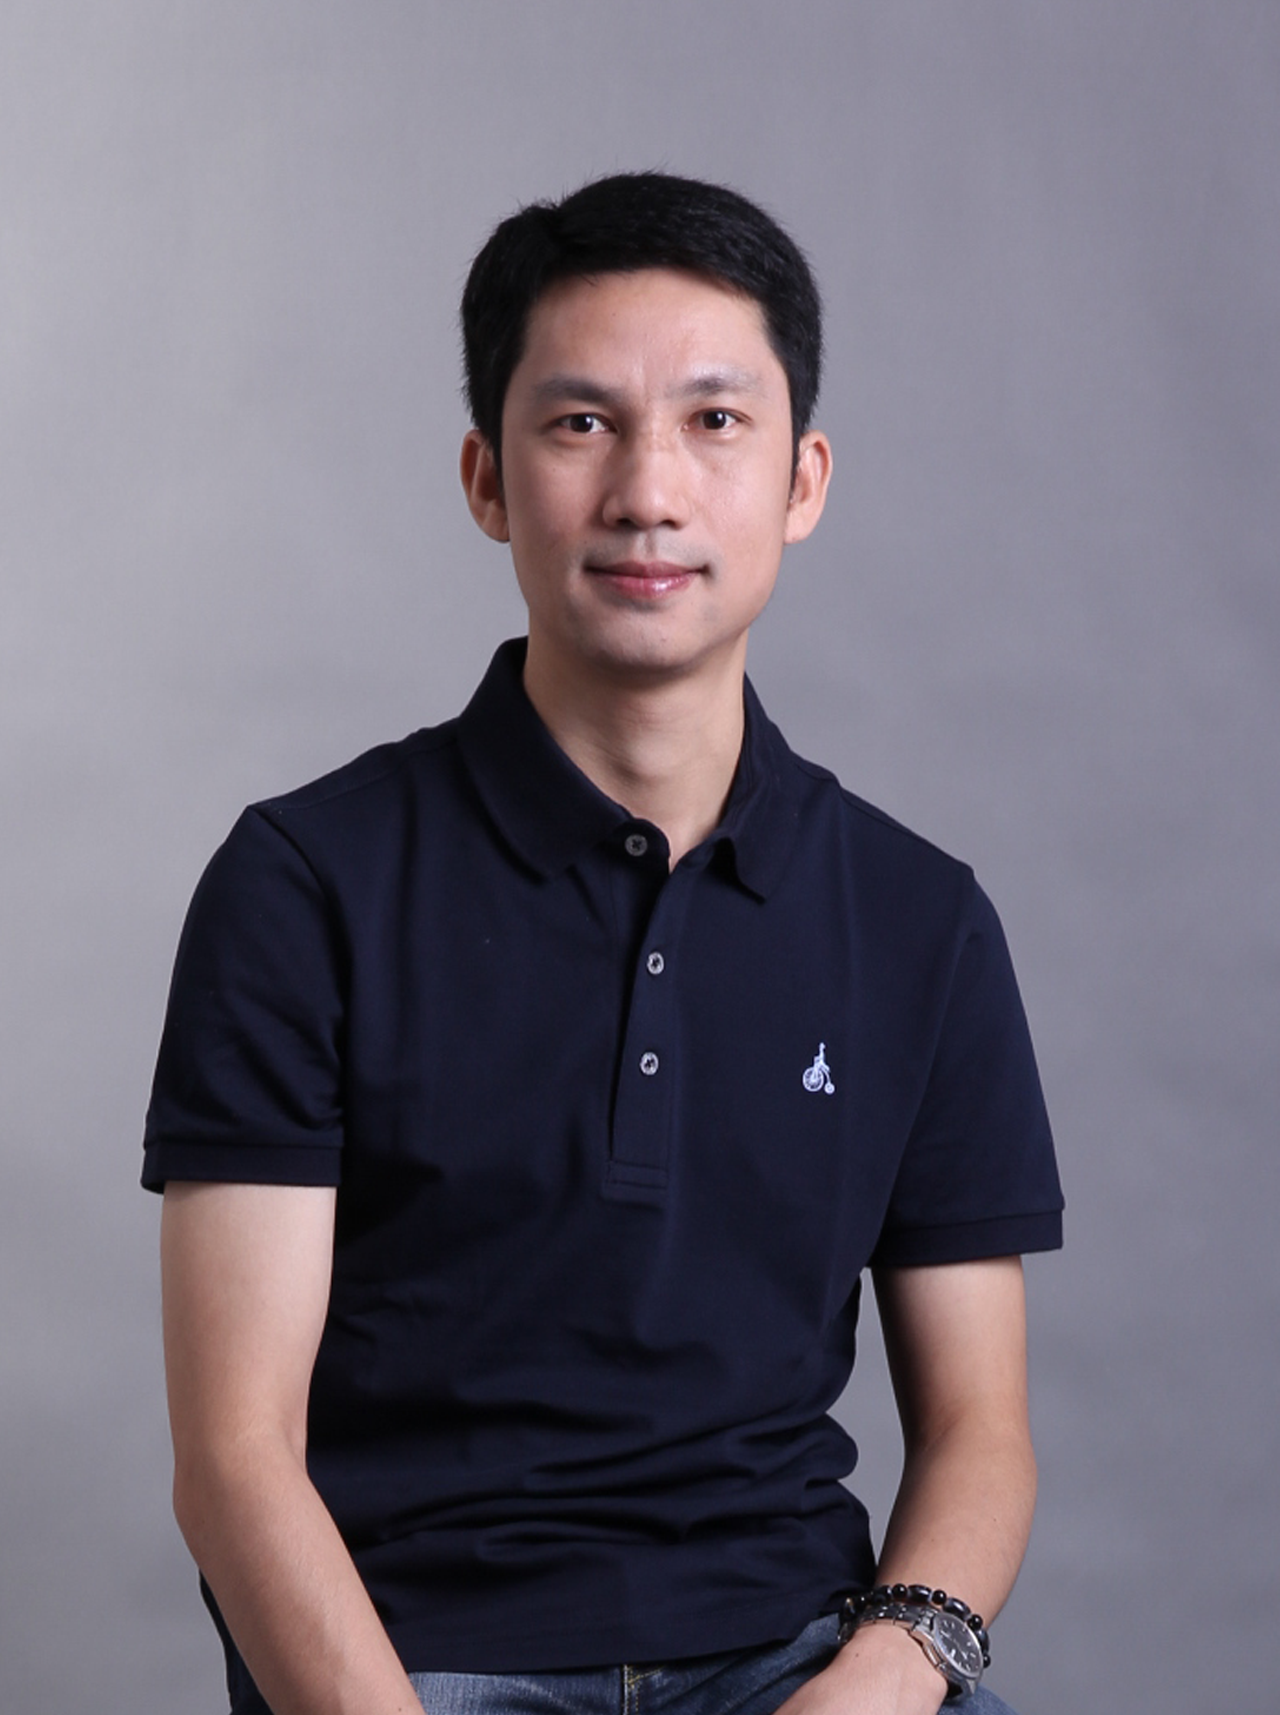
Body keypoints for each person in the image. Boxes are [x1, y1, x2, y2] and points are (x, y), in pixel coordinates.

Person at [144, 171, 1063, 1715]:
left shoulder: (923, 920)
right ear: (487, 479)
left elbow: (984, 1429)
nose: (650, 489)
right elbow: (234, 1456)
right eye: (581, 422)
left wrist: (890, 1671)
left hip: (797, 1653)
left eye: (715, 421)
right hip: (422, 1660)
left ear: (804, 479)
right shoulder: (303, 883)